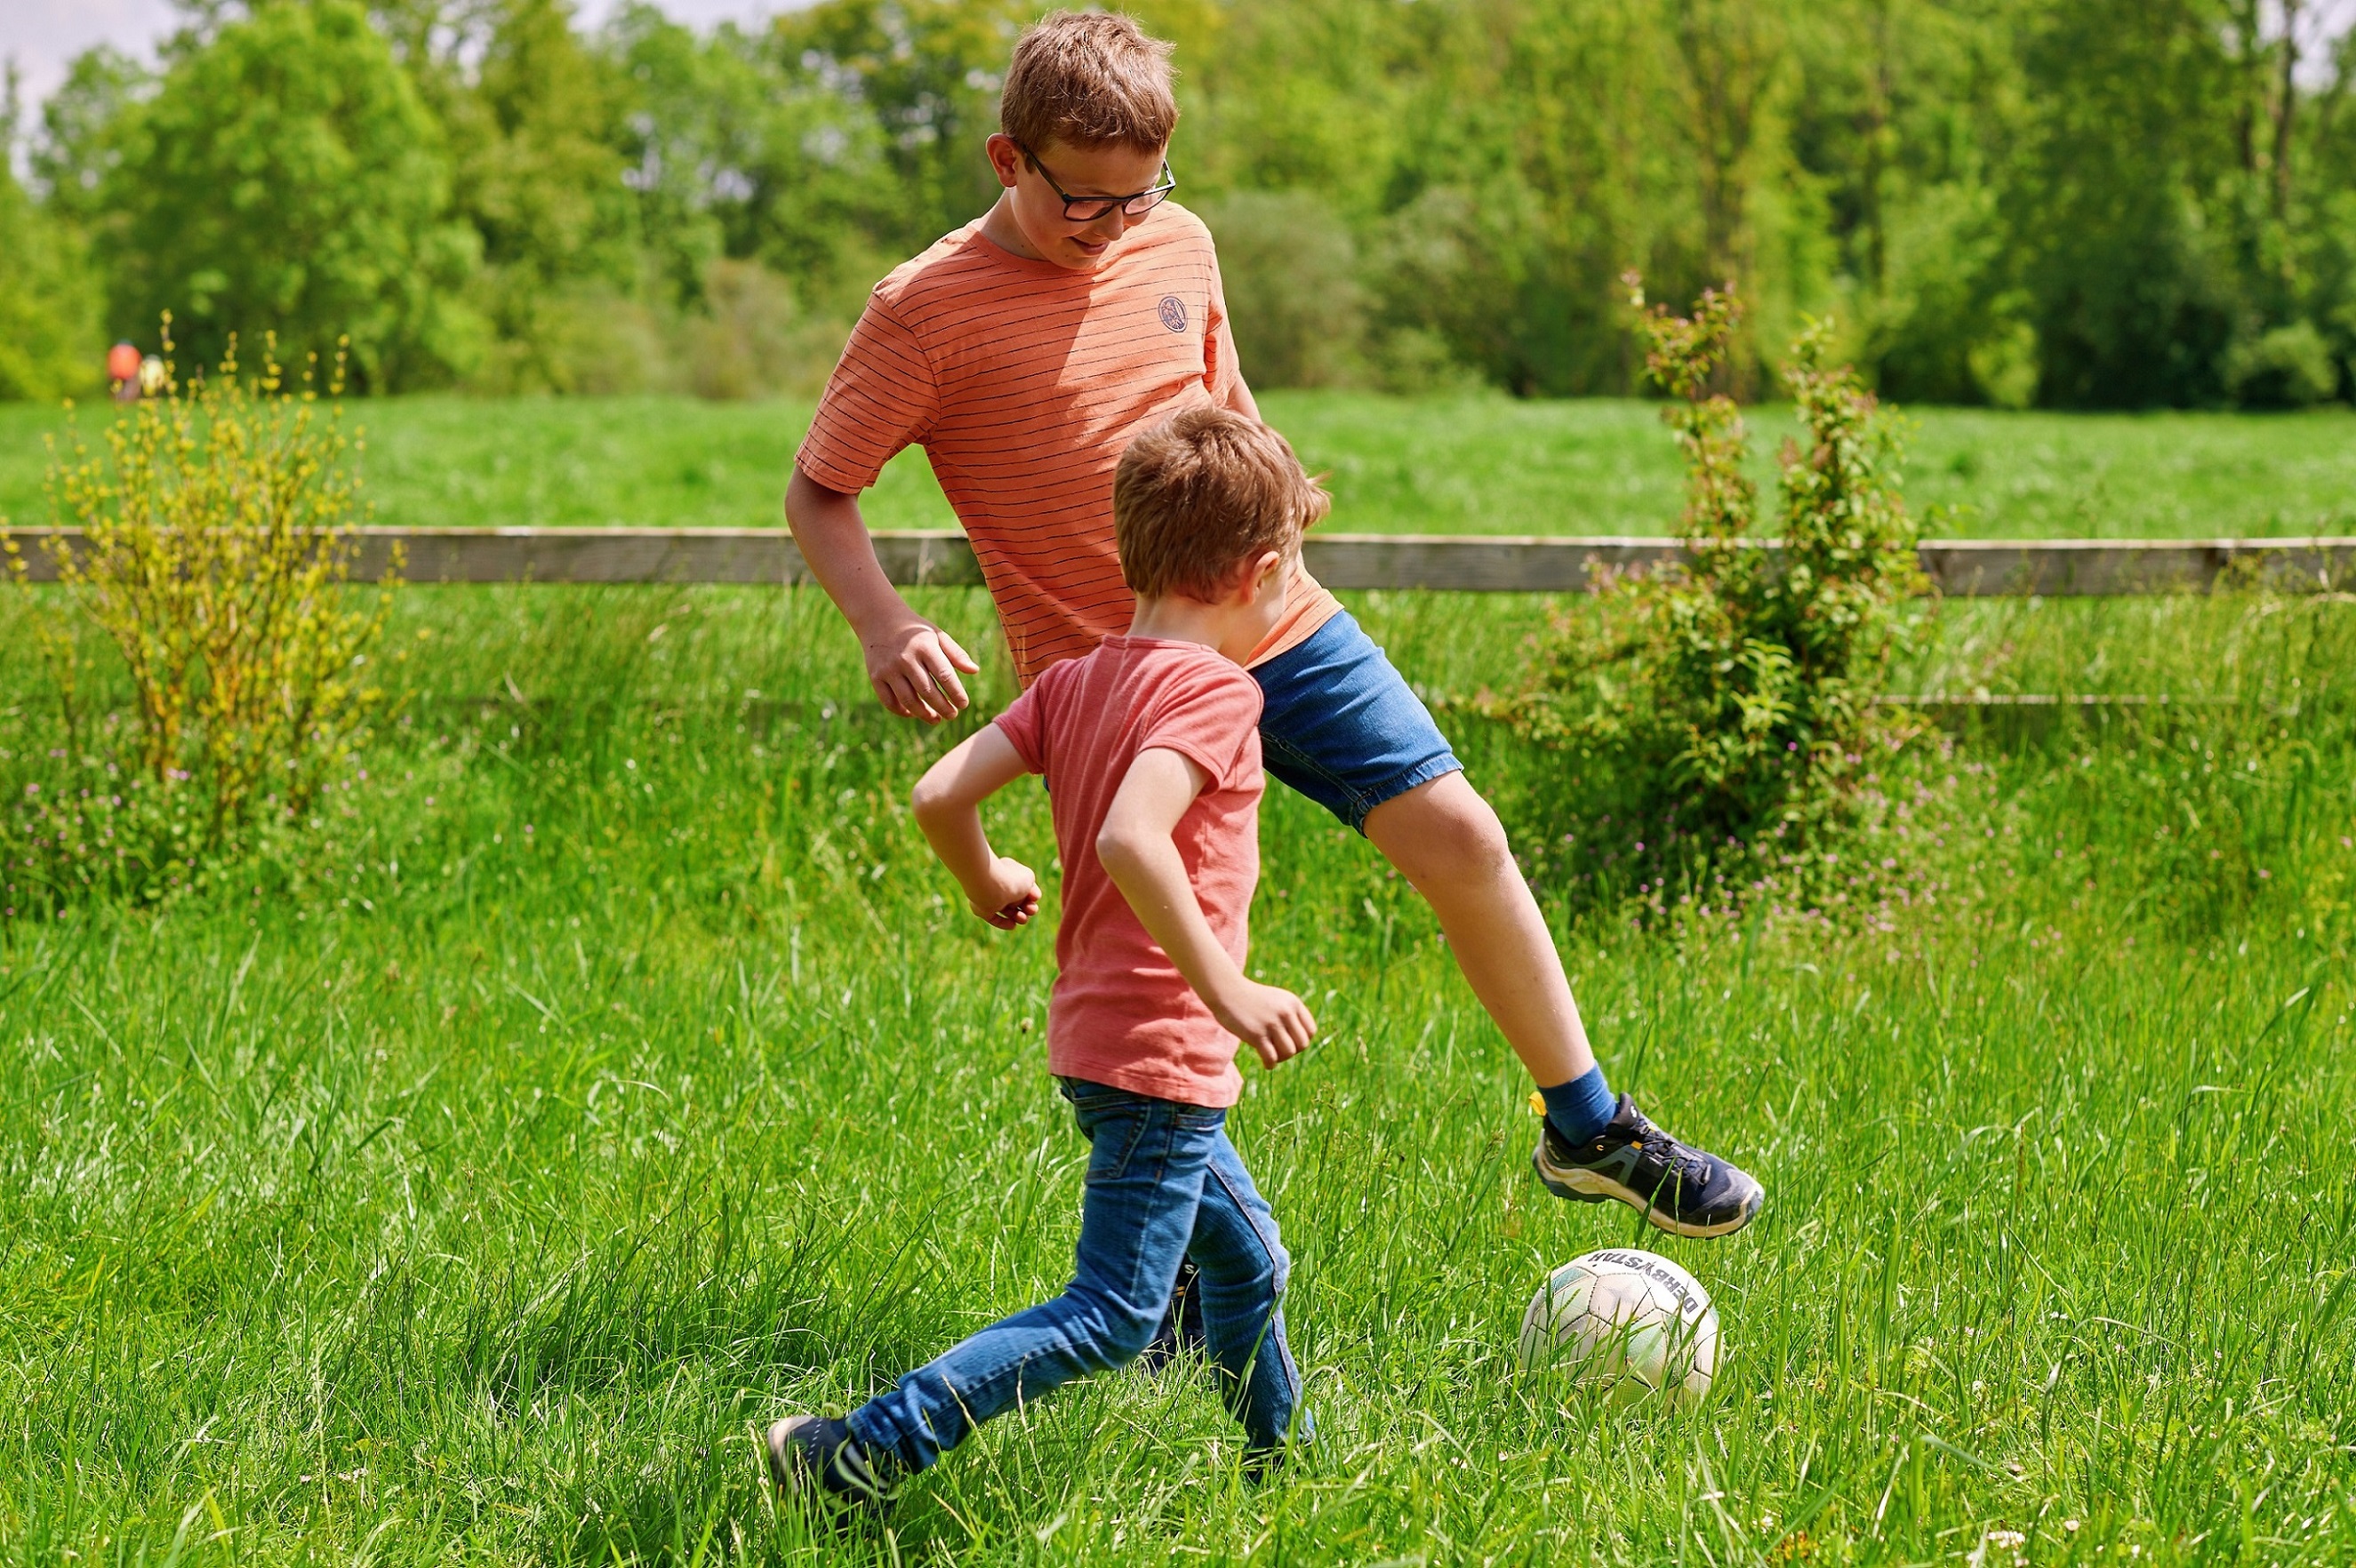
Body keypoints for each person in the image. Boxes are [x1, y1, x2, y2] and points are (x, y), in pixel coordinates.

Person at [783, 11, 1760, 1255]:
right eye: (1082, 201)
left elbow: (1225, 404)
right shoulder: (925, 310)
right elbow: (819, 488)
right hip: (1120, 682)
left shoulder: (1178, 241)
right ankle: (1177, 1277)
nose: (1114, 226)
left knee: (1462, 833)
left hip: (1275, 619)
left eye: (1138, 196)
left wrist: (1282, 501)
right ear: (1006, 158)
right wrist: (883, 624)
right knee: (1163, 993)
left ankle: (1588, 1129)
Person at [768, 407, 1322, 1504]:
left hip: (1098, 1041)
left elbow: (939, 793)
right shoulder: (1218, 691)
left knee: (1250, 1261)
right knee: (1113, 1314)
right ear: (1260, 574)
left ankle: (1283, 1469)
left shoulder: (1073, 680)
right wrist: (1230, 989)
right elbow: (1131, 837)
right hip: (1162, 1054)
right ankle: (858, 1450)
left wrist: (987, 879)